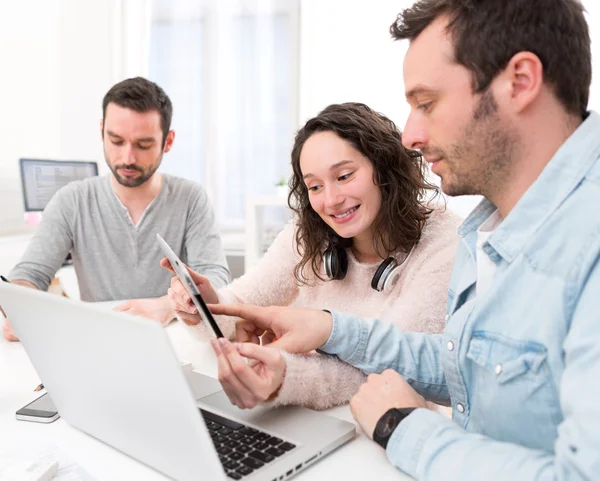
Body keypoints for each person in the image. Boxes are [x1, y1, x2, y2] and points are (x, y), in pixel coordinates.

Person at [205, 0, 600, 479]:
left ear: (520, 81)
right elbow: (464, 367)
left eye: (427, 103)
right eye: (313, 186)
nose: (409, 134)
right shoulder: (495, 227)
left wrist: (402, 426)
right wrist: (332, 329)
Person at [165, 102, 462, 410]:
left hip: (393, 425)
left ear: (384, 168)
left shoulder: (444, 242)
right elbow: (246, 302)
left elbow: (397, 365)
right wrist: (206, 306)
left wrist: (284, 376)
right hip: (317, 417)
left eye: (344, 176)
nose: (331, 200)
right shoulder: (309, 230)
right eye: (315, 186)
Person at [2, 77, 229, 342]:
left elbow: (217, 280)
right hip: (99, 343)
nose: (128, 158)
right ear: (102, 131)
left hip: (175, 343)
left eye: (143, 145)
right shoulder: (72, 200)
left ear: (167, 141)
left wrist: (168, 306)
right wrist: (20, 309)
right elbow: (29, 275)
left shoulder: (191, 198)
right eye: (116, 141)